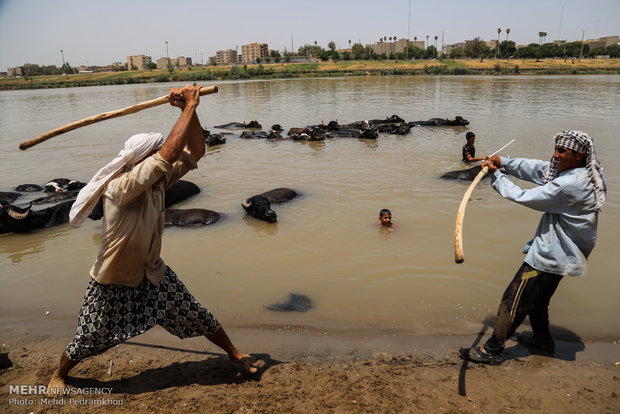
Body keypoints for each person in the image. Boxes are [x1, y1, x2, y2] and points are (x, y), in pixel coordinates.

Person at [47, 84, 257, 395]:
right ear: (140, 161)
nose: (163, 160)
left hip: (153, 271)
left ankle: (235, 354)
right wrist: (186, 107)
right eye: (155, 155)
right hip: (114, 278)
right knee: (91, 336)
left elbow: (194, 151)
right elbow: (169, 153)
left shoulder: (157, 182)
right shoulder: (121, 187)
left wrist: (192, 110)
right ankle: (59, 374)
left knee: (194, 313)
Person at [459, 130, 606, 365]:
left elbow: (524, 196)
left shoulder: (571, 184)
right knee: (537, 301)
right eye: (555, 149)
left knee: (513, 298)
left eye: (562, 151)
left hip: (551, 255)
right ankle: (543, 341)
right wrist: (504, 162)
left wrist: (497, 175)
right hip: (562, 253)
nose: (555, 155)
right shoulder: (579, 172)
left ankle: (492, 350)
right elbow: (539, 169)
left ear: (579, 155)